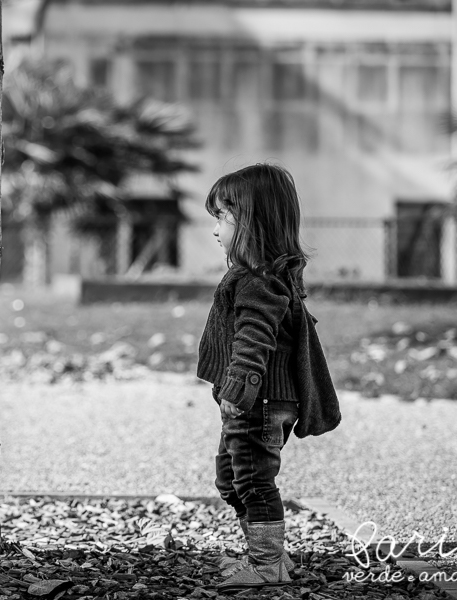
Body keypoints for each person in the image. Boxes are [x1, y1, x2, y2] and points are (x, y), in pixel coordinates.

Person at [197, 164, 316, 590]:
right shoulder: (265, 276)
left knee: (252, 480)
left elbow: (255, 337)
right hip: (261, 401)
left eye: (222, 217)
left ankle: (265, 566)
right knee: (231, 478)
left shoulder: (258, 281)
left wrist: (237, 388)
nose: (214, 229)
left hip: (259, 401)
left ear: (251, 222)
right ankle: (272, 558)